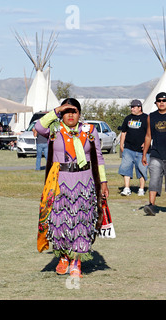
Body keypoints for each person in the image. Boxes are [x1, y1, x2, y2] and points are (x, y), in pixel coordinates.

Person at [34, 98, 109, 278]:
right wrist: (57, 110)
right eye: (66, 111)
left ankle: (76, 262)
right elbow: (38, 126)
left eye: (73, 111)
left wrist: (104, 182)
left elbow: (98, 157)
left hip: (85, 182)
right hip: (60, 183)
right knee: (60, 222)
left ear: (79, 114)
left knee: (82, 222)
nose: (70, 115)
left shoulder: (89, 131)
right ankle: (64, 258)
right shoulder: (55, 129)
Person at [118, 99, 148, 196]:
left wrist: (146, 143)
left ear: (140, 108)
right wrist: (121, 144)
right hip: (128, 148)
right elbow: (123, 132)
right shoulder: (128, 118)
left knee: (142, 169)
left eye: (134, 107)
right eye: (131, 107)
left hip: (142, 150)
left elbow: (150, 133)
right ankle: (127, 188)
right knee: (126, 167)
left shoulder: (146, 118)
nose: (132, 109)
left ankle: (141, 189)